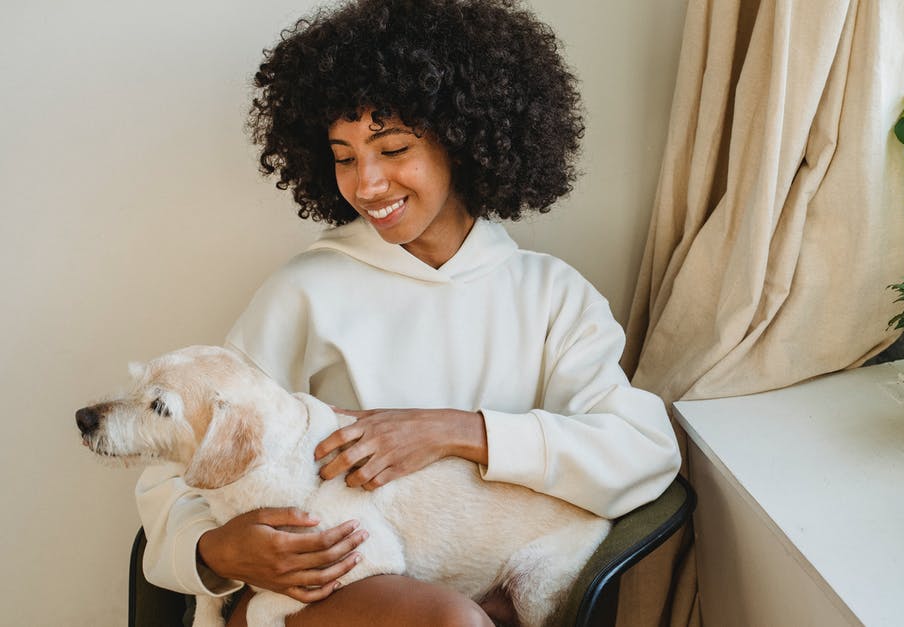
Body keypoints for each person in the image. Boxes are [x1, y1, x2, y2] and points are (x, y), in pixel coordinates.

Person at [133, 0, 683, 624]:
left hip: (484, 592)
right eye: (344, 157)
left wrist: (458, 431)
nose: (366, 184)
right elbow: (171, 467)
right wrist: (212, 551)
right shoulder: (304, 292)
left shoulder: (554, 297)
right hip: (316, 598)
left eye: (392, 148)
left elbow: (643, 451)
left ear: (466, 138)